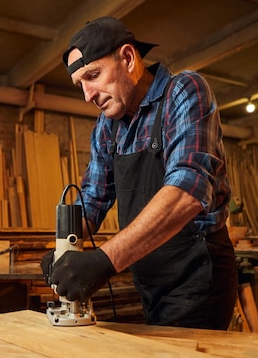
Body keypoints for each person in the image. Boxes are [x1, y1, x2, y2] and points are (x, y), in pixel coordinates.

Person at [42, 17, 237, 330]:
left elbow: (188, 190)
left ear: (128, 59)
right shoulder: (108, 127)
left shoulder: (184, 91)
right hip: (149, 277)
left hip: (197, 276)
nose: (88, 95)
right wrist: (64, 251)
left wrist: (103, 261)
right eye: (81, 84)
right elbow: (93, 199)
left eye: (93, 75)